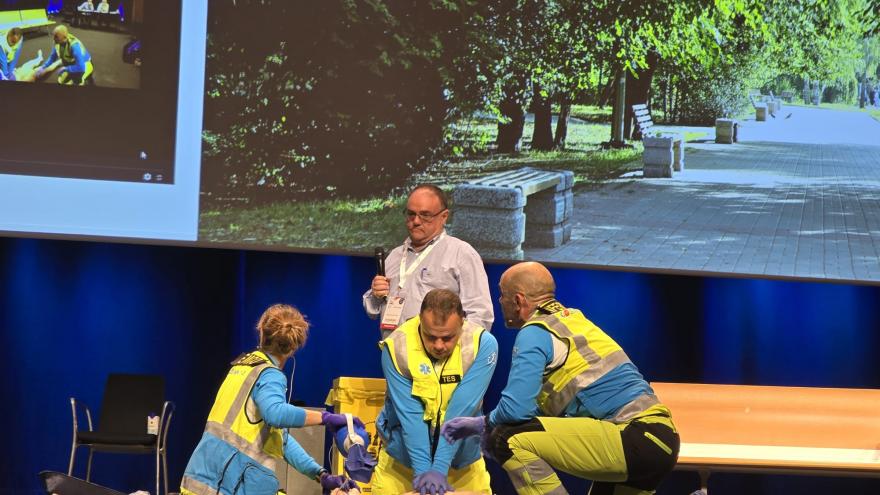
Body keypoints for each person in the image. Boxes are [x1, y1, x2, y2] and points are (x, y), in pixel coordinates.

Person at [442, 262, 680, 495]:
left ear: (518, 300)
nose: (499, 301)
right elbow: (539, 414)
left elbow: (515, 411)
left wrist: (482, 424)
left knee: (504, 437)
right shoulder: (573, 320)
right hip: (661, 441)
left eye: (502, 295)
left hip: (633, 435)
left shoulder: (536, 331)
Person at [180, 303, 361, 495]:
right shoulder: (270, 374)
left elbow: (280, 439)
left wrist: (321, 475)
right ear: (293, 348)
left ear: (261, 332)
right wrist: (326, 418)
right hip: (228, 483)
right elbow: (275, 414)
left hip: (202, 477)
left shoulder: (242, 368)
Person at [373, 289, 498, 495]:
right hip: (401, 463)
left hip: (464, 464)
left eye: (447, 337)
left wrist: (438, 469)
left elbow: (462, 409)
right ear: (420, 321)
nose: (439, 345)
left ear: (462, 323)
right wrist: (424, 474)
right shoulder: (396, 347)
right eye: (430, 336)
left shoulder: (482, 345)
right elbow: (410, 416)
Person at [364, 184, 493, 339]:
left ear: (444, 216)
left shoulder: (461, 253)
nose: (416, 221)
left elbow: (480, 315)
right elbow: (372, 310)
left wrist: (458, 349)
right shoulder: (395, 255)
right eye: (411, 214)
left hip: (439, 352)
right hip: (392, 350)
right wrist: (376, 295)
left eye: (425, 215)